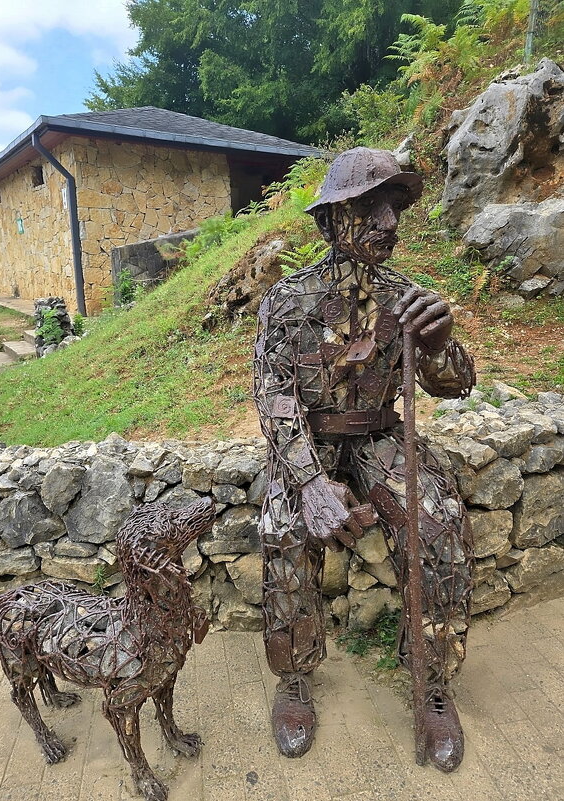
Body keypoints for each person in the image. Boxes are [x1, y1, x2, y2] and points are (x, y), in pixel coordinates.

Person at [253, 147, 475, 772]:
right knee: (285, 527)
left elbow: (455, 385)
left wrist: (438, 346)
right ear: (329, 222)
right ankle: (294, 677)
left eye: (395, 207)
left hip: (381, 436)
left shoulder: (406, 299)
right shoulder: (288, 302)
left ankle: (431, 680)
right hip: (310, 442)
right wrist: (310, 482)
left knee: (438, 518)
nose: (389, 223)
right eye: (369, 207)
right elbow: (273, 400)